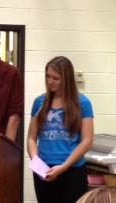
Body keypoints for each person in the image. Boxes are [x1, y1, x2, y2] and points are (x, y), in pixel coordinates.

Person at [27, 56, 94, 203]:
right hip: (44, 170)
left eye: (55, 78)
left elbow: (87, 140)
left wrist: (64, 166)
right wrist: (37, 163)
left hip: (72, 169)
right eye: (48, 76)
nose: (50, 81)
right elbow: (31, 138)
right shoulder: (40, 102)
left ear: (66, 79)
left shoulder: (82, 103)